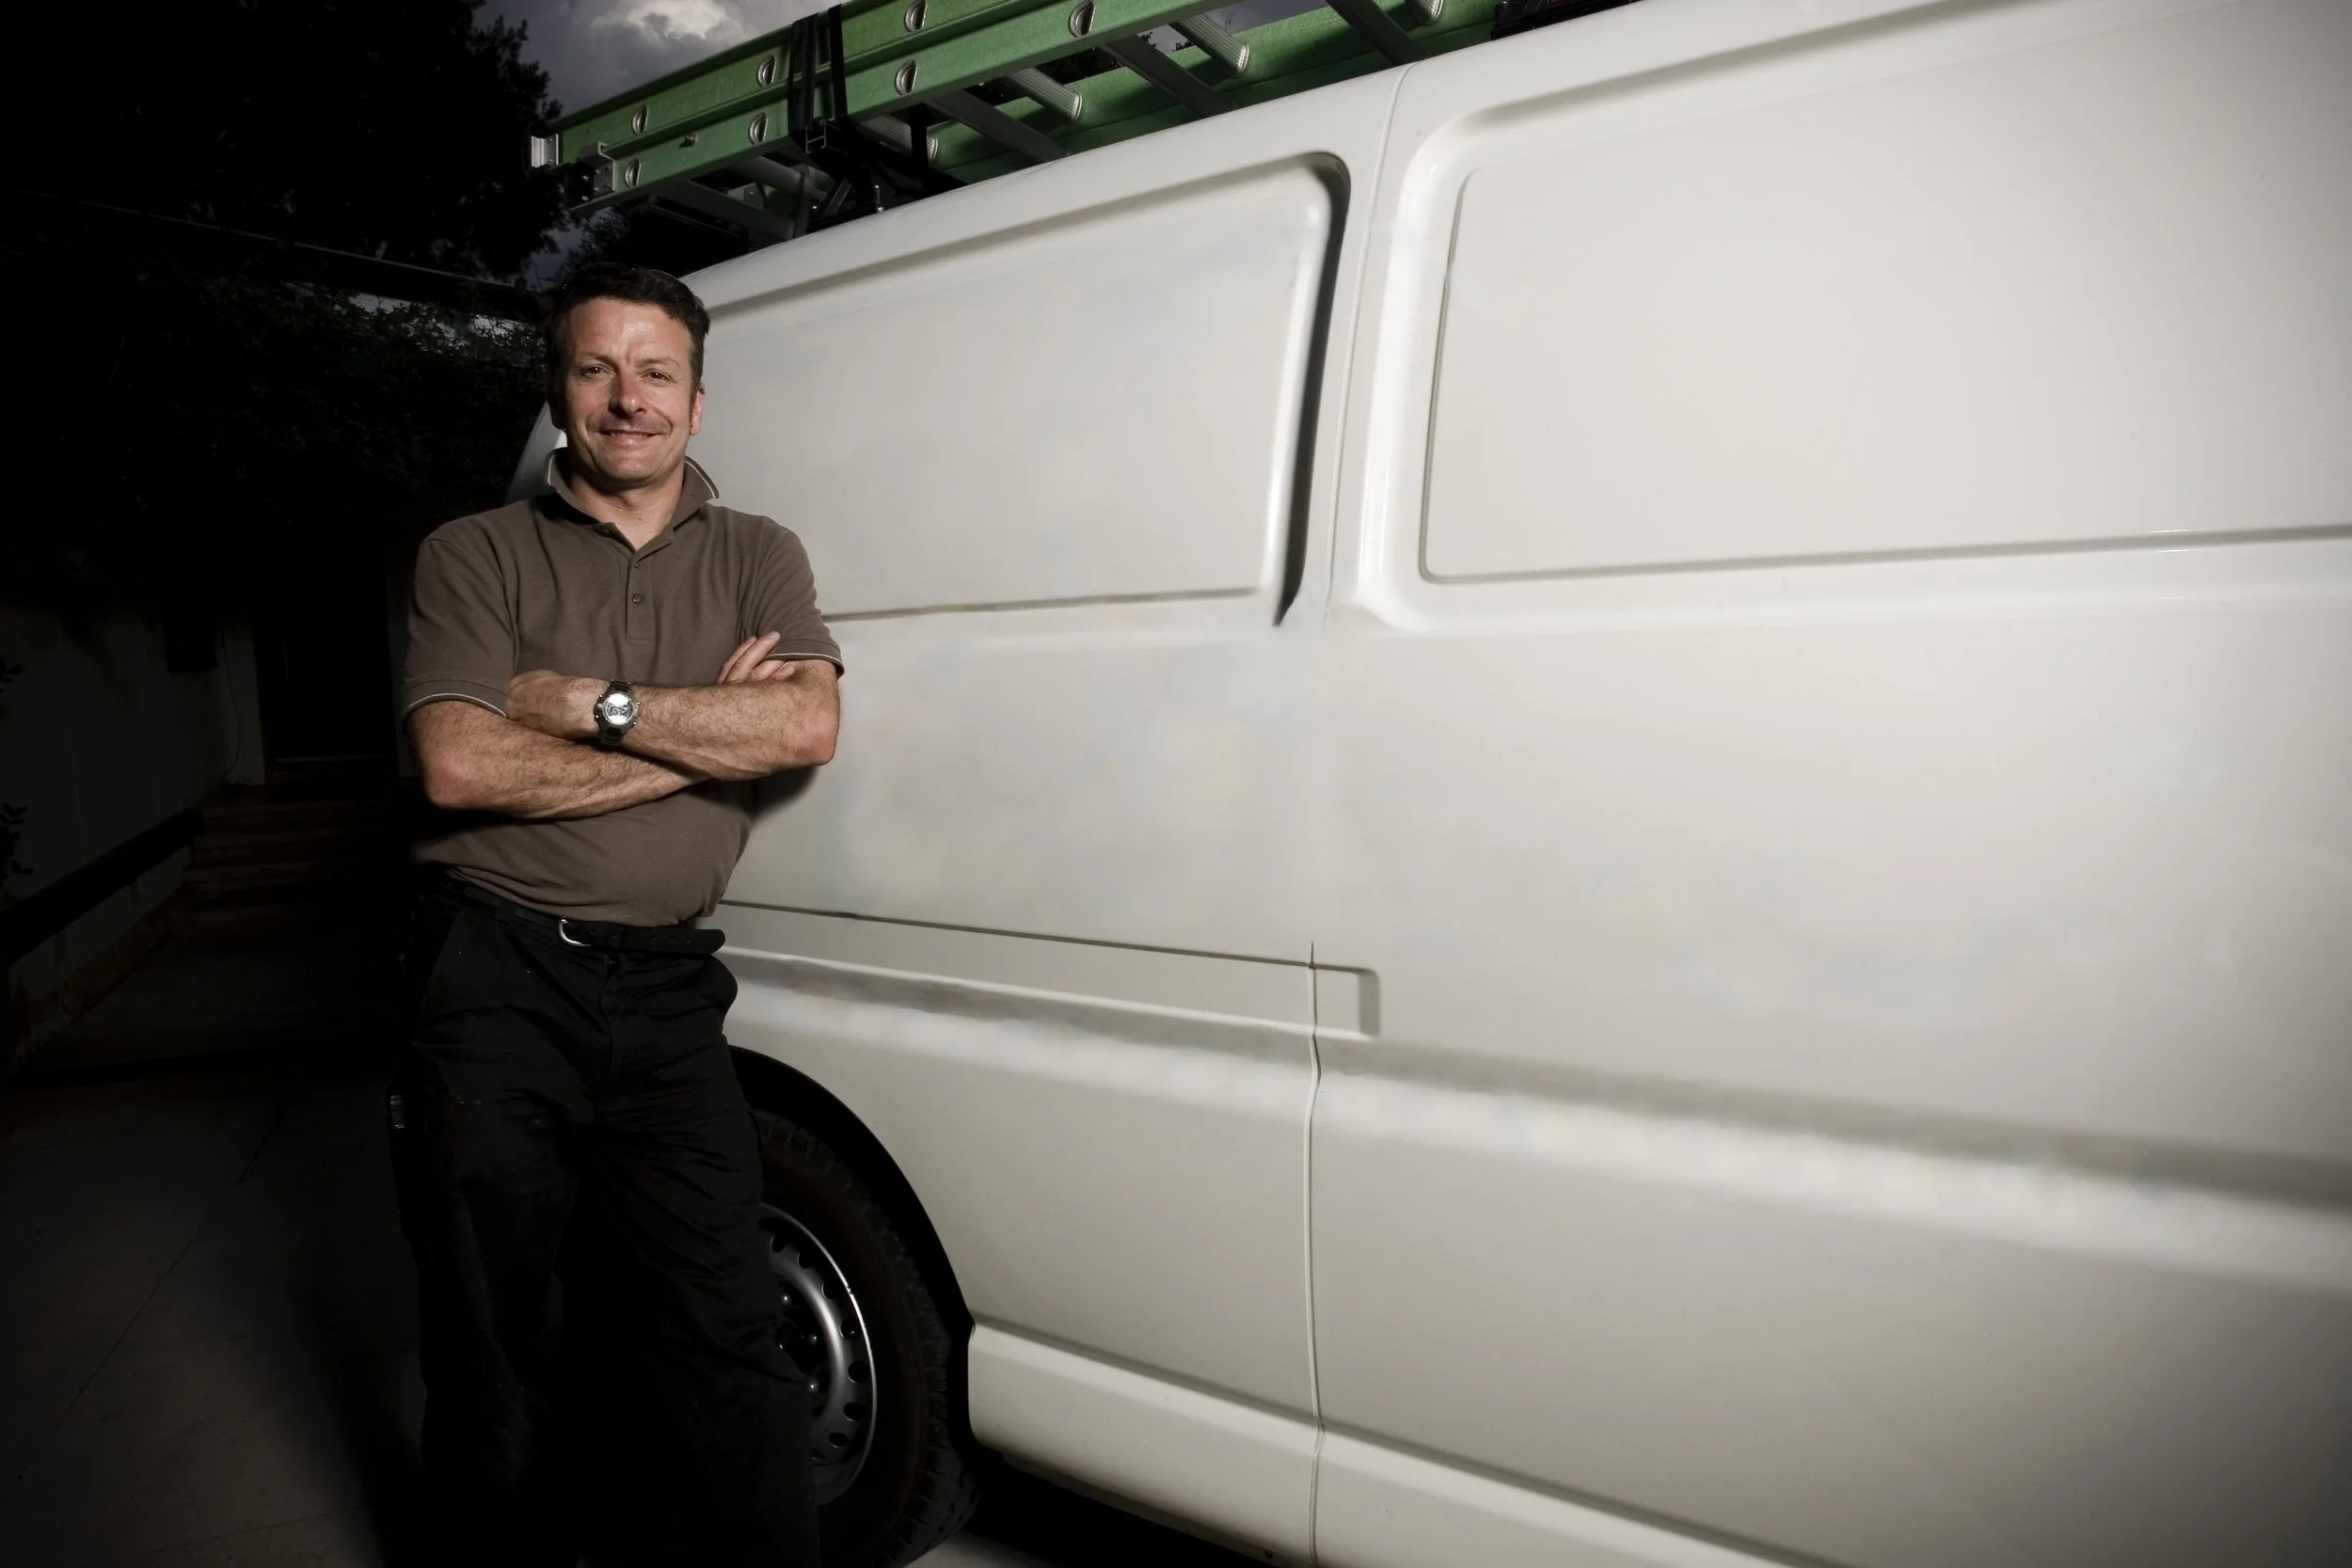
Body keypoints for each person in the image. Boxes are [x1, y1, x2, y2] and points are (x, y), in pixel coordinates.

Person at [393, 262, 841, 1568]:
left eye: (655, 372)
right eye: (596, 369)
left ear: (697, 402)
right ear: (558, 391)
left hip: (668, 994)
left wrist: (582, 700)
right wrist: (703, 730)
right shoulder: (473, 551)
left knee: (720, 1327)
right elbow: (457, 767)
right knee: (496, 1344)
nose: (625, 397)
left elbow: (806, 721)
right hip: (492, 979)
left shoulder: (761, 552)